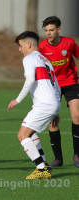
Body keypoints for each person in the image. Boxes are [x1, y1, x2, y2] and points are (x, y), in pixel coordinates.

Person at [8, 31, 61, 179]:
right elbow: (56, 85)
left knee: (22, 135)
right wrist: (56, 109)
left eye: (20, 46)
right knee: (31, 133)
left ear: (29, 44)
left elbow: (30, 79)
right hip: (52, 103)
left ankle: (41, 168)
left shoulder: (29, 58)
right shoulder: (45, 60)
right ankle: (44, 163)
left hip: (44, 104)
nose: (19, 49)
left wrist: (17, 99)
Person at [39, 16, 79, 168]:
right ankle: (58, 158)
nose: (48, 33)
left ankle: (77, 154)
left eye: (51, 30)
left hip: (71, 83)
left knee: (77, 115)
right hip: (52, 86)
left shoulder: (69, 43)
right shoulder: (42, 47)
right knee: (53, 121)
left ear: (59, 30)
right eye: (46, 30)